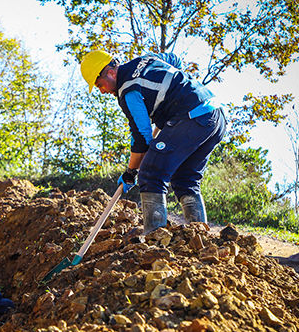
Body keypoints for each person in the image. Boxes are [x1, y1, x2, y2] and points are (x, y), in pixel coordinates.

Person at [80, 49, 227, 234]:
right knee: (185, 180)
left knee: (151, 173)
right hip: (215, 116)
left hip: (191, 118)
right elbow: (175, 59)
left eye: (100, 84)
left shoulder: (128, 91)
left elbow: (142, 138)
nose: (102, 91)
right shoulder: (148, 59)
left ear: (110, 72)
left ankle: (154, 238)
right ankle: (200, 238)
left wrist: (131, 172)